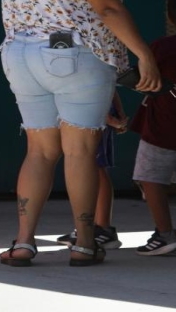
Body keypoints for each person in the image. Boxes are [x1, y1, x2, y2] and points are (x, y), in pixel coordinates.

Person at [0, 0, 161, 267]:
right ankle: (85, 241)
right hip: (71, 55)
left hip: (20, 54)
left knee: (38, 152)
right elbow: (106, 8)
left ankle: (22, 242)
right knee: (80, 152)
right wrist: (143, 54)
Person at [129, 0, 176, 255]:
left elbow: (144, 78)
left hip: (162, 130)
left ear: (170, 17)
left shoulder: (162, 47)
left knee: (150, 178)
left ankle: (164, 233)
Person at [56, 92, 128, 250]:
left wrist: (110, 116)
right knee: (92, 166)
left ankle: (103, 228)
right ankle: (93, 227)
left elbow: (107, 82)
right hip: (87, 110)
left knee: (95, 167)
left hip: (94, 113)